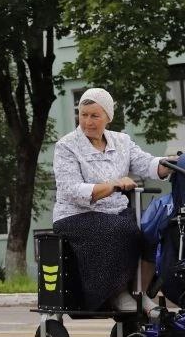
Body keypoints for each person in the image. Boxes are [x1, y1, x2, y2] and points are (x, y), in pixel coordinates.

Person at [52, 87, 169, 311]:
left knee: (151, 232)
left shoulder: (122, 141)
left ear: (108, 117)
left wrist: (171, 164)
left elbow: (147, 164)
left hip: (115, 213)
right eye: (83, 115)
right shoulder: (66, 146)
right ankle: (116, 294)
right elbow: (70, 190)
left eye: (94, 115)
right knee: (120, 230)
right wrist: (112, 185)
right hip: (75, 215)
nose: (88, 121)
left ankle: (140, 292)